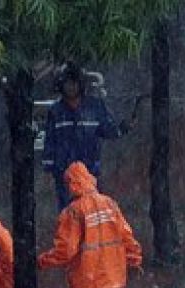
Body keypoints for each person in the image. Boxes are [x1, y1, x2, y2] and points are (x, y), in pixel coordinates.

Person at [42, 61, 127, 210]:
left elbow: (108, 130)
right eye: (67, 83)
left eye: (74, 83)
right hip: (64, 174)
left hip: (90, 171)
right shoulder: (56, 111)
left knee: (93, 211)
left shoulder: (95, 106)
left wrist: (123, 128)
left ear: (81, 84)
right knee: (69, 214)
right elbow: (50, 140)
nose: (71, 87)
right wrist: (50, 166)